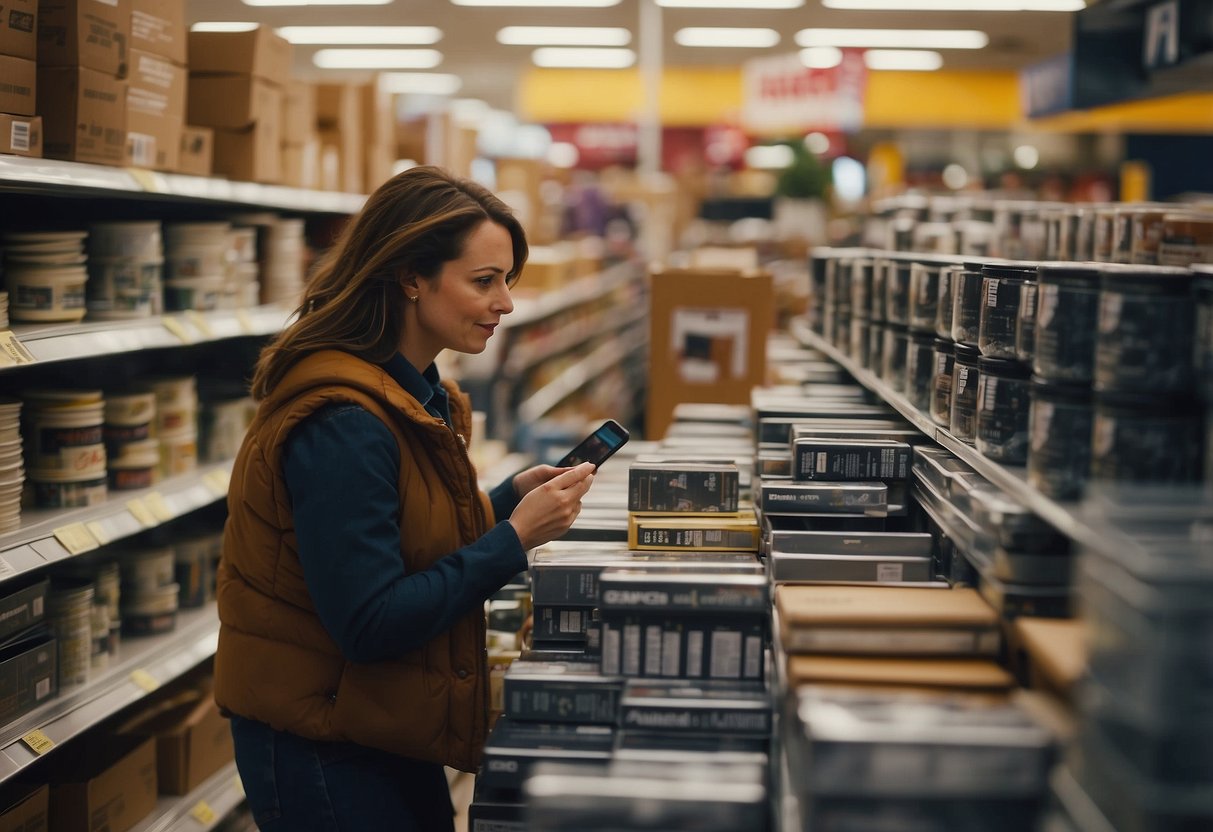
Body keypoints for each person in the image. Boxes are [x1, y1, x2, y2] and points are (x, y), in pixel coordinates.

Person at [213, 166, 596, 831]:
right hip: (324, 747)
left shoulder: (415, 393)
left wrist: (503, 502)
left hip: (379, 719)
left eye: (507, 280)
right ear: (410, 276)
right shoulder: (344, 424)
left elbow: (398, 538)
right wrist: (512, 542)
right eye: (484, 281)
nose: (504, 302)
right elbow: (370, 622)